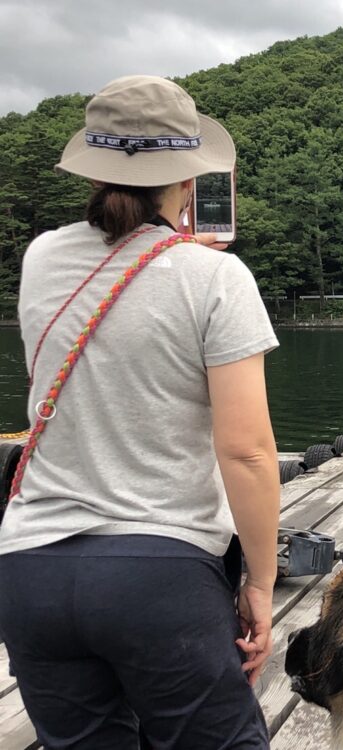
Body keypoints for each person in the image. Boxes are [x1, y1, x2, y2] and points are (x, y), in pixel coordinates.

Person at [0, 75, 279, 749]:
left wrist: (177, 256)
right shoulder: (216, 279)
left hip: (29, 571)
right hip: (159, 580)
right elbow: (246, 453)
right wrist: (262, 587)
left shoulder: (41, 257)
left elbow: (119, 290)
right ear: (188, 179)